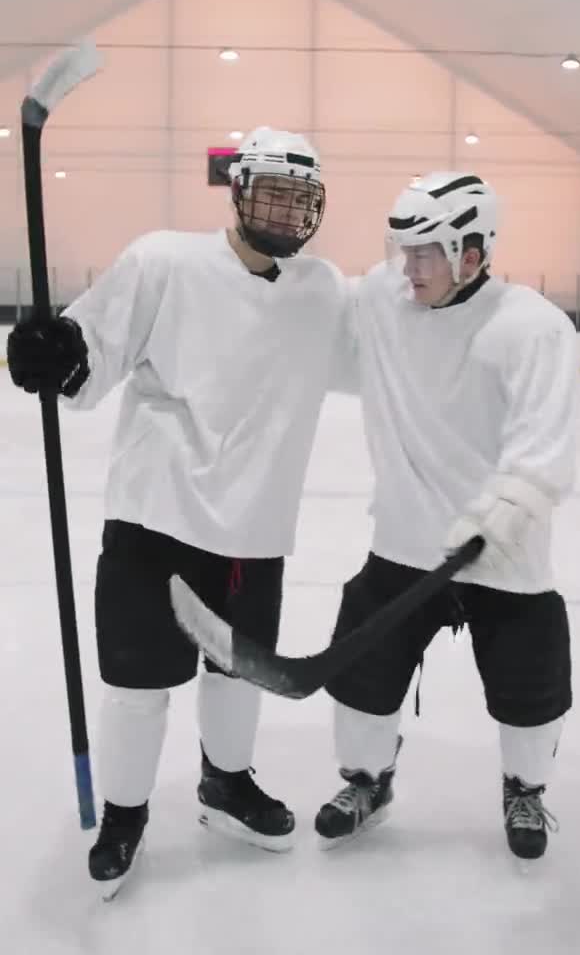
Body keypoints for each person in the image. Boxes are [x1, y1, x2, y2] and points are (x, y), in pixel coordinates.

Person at [8, 126, 347, 896]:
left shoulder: (321, 289)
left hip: (253, 532)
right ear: (236, 189)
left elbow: (377, 359)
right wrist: (58, 351)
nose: (287, 212)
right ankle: (125, 814)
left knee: (238, 674)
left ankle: (225, 784)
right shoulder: (164, 260)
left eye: (302, 200)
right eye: (273, 192)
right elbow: (94, 349)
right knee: (138, 684)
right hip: (155, 519)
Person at [314, 172, 576, 862]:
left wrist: (495, 522)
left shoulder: (531, 328)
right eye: (406, 251)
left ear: (474, 250)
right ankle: (368, 781)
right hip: (403, 545)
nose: (412, 267)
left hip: (504, 556)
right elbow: (303, 322)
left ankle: (525, 788)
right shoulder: (383, 299)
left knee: (531, 684)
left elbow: (542, 455)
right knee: (363, 674)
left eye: (428, 251)